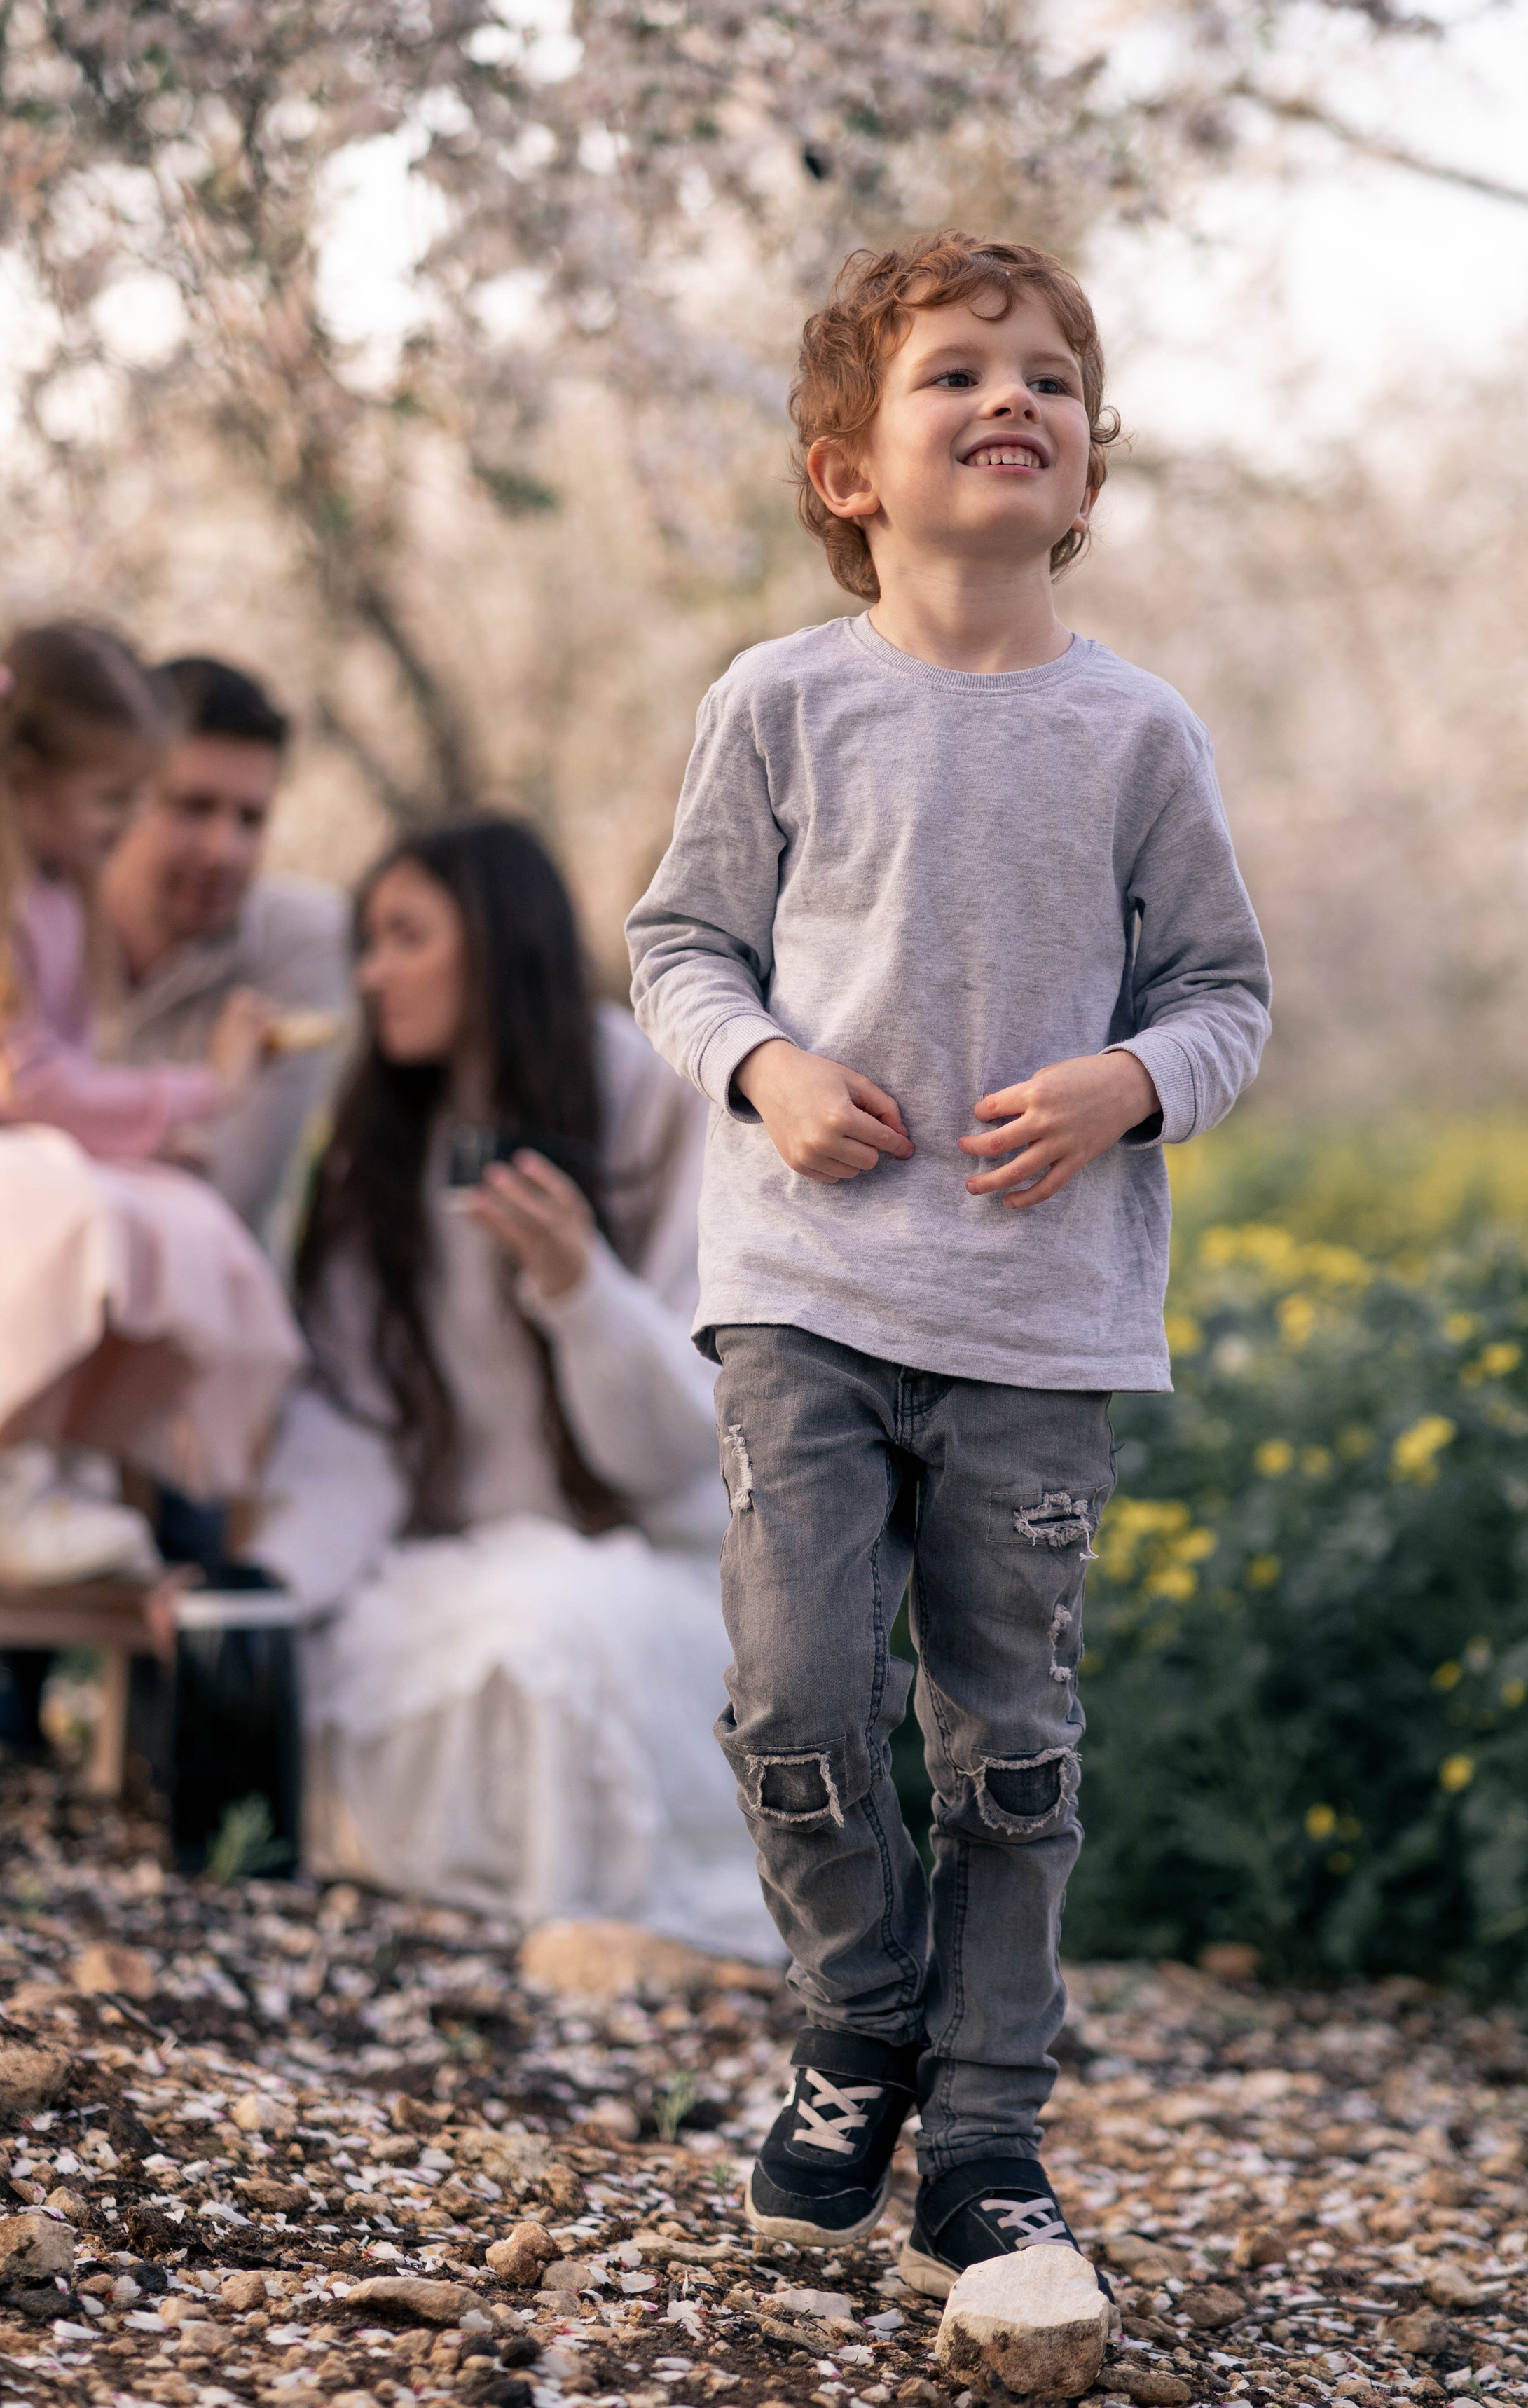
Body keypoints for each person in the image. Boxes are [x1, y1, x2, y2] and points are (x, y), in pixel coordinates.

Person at [626, 233, 1272, 2286]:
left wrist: (1127, 1087)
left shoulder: (1133, 732)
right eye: (956, 373)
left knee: (1008, 1741)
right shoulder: (783, 702)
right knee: (797, 1691)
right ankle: (856, 2013)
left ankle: (984, 2128)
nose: (1012, 399)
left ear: (1086, 472)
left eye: (1050, 381)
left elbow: (1226, 994)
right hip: (804, 1295)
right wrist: (765, 1071)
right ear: (844, 467)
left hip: (1036, 1324)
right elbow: (676, 947)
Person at [249, 813, 779, 1950]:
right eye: (366, 942)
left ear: (491, 942)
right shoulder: (383, 1140)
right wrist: (271, 1582)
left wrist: (577, 1286)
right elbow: (353, 1418)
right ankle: (481, 1931)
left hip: (655, 1566)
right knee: (353, 1653)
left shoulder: (654, 1102)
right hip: (453, 1559)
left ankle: (571, 1940)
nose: (371, 974)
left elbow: (689, 1439)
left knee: (553, 1627)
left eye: (406, 937)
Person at [0, 620, 301, 1600]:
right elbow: (30, 1085)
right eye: (117, 800)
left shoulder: (61, 897)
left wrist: (169, 1142)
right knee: (77, 1204)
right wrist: (201, 1092)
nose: (123, 826)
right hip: (24, 1165)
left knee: (185, 1224)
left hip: (38, 1158)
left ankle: (69, 1462)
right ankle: (16, 1475)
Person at [102, 655, 351, 1241]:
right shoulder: (30, 928)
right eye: (193, 807)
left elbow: (224, 1203)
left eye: (251, 819)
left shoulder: (302, 942)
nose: (224, 850)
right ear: (118, 799)